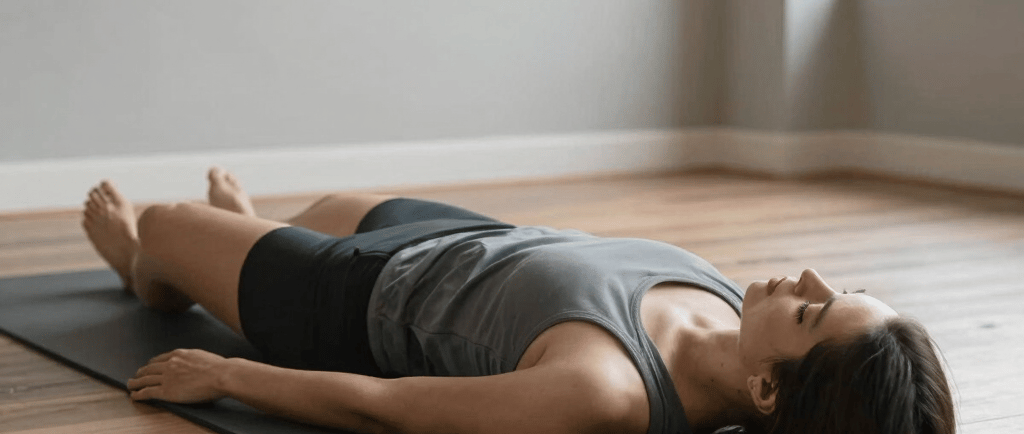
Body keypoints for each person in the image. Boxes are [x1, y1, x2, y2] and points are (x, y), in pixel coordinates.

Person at [81, 167, 956, 434]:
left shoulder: (605, 390)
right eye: (844, 290)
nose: (810, 280)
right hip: (465, 240)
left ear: (766, 388)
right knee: (327, 206)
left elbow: (387, 407)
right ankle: (250, 237)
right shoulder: (741, 315)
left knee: (165, 222)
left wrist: (229, 374)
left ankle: (142, 270)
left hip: (352, 300)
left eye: (812, 312)